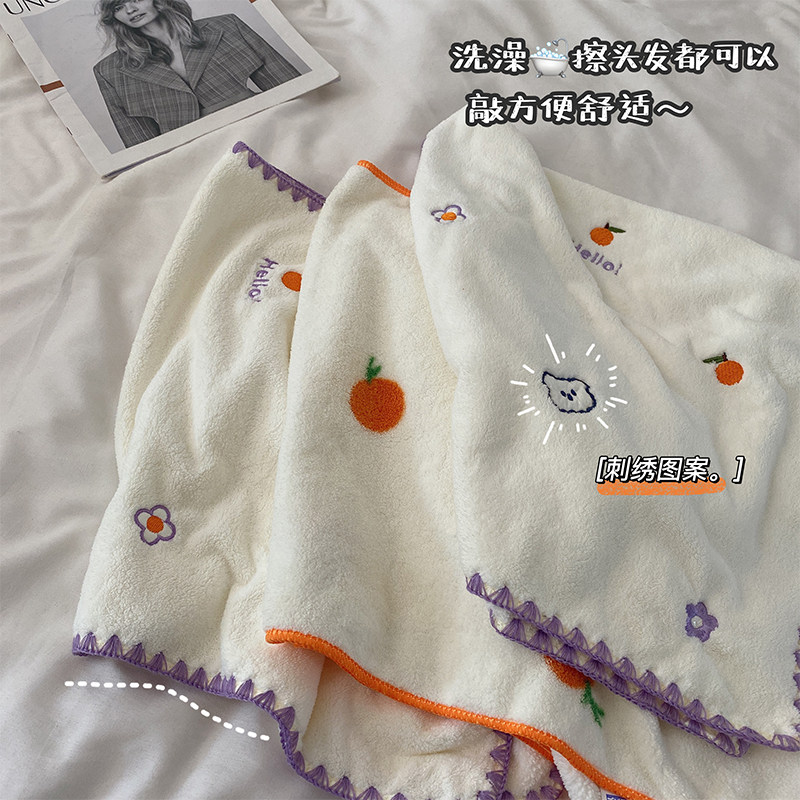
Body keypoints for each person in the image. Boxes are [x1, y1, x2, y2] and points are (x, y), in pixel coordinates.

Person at [94, 0, 302, 147]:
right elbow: (141, 147)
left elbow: (290, 85)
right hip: (193, 154)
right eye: (118, 7)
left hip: (267, 129)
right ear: (113, 16)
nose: (130, 10)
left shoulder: (225, 26)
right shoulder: (109, 71)